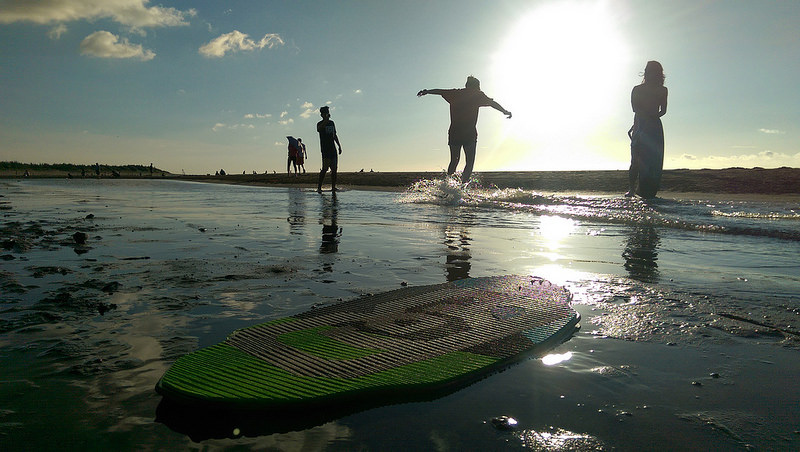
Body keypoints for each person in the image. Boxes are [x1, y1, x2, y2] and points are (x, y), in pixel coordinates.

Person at [417, 76, 511, 182]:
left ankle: (448, 185)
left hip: (454, 133)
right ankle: (462, 187)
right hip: (469, 134)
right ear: (477, 86)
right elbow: (492, 103)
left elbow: (440, 91)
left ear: (466, 85)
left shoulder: (456, 93)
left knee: (454, 161)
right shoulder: (477, 95)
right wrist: (504, 111)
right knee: (469, 163)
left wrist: (427, 91)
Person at [626, 61, 668, 197]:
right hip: (641, 125)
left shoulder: (663, 90)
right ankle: (632, 189)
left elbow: (663, 110)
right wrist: (646, 118)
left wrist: (650, 116)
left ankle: (647, 191)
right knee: (636, 159)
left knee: (653, 160)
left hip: (653, 126)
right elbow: (635, 108)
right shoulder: (637, 89)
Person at [316, 106, 342, 192]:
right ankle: (319, 187)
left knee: (334, 169)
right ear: (322, 115)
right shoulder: (319, 124)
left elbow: (334, 135)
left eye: (328, 112)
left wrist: (339, 146)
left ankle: (333, 187)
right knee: (325, 168)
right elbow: (319, 129)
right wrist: (326, 120)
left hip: (333, 148)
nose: (327, 114)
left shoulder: (332, 123)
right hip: (325, 149)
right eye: (325, 113)